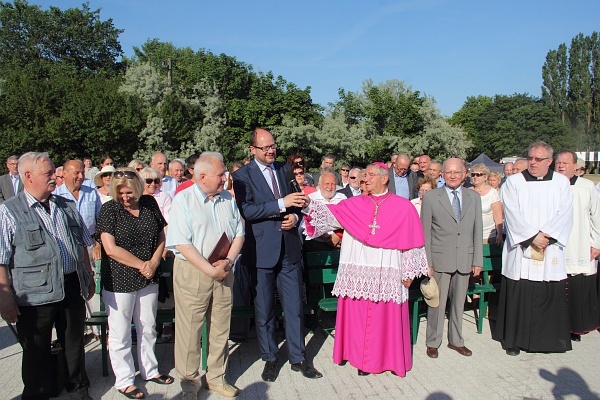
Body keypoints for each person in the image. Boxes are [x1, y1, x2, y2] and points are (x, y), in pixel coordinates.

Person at [303, 162, 429, 376]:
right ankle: (359, 359)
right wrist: (306, 203)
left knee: (384, 317)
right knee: (359, 316)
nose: (365, 179)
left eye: (371, 175)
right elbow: (329, 215)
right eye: (364, 175)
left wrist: (408, 273)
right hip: (359, 266)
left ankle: (387, 359)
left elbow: (412, 242)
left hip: (387, 268)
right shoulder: (354, 204)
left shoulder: (403, 206)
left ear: (384, 178)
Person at [0, 152, 95, 400]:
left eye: (55, 172)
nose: (56, 176)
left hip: (71, 286)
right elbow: (1, 258)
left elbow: (83, 243)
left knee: (74, 344)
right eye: (49, 173)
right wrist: (5, 296)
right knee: (36, 351)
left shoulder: (66, 205)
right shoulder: (9, 211)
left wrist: (88, 275)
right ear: (28, 176)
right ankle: (36, 394)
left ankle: (78, 392)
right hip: (33, 295)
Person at [233, 128, 322, 382]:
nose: (271, 150)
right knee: (265, 309)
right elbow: (247, 210)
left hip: (289, 247)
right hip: (261, 251)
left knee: (294, 307)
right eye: (265, 147)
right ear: (252, 150)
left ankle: (298, 358)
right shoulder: (242, 176)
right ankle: (270, 358)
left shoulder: (284, 169)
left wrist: (295, 216)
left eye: (273, 146)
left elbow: (299, 203)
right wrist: (282, 205)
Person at [166, 152, 244, 399]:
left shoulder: (227, 200)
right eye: (221, 175)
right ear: (202, 176)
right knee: (190, 330)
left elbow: (239, 233)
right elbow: (181, 243)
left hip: (224, 270)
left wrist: (228, 261)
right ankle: (189, 385)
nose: (225, 179)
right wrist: (210, 270)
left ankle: (216, 378)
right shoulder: (184, 200)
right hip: (194, 272)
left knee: (221, 327)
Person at [96, 167, 174, 398]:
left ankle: (150, 369)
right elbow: (110, 249)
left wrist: (153, 260)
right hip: (120, 278)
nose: (125, 197)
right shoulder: (109, 210)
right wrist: (142, 264)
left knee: (148, 325)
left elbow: (161, 234)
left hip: (149, 274)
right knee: (120, 332)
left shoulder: (149, 203)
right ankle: (124, 379)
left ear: (138, 189)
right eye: (120, 193)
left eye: (129, 193)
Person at [496, 141, 574, 356]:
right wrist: (532, 237)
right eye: (530, 158)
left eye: (538, 159)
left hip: (549, 247)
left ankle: (547, 341)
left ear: (549, 161)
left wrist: (545, 237)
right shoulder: (514, 182)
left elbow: (566, 213)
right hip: (522, 249)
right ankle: (514, 341)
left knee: (547, 288)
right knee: (519, 290)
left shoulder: (561, 183)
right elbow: (511, 213)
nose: (532, 163)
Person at [421, 158, 483, 359]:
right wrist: (427, 262)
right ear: (442, 174)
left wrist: (477, 260)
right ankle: (433, 341)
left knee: (458, 304)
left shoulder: (474, 197)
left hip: (464, 258)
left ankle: (456, 340)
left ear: (465, 173)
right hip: (439, 260)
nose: (453, 176)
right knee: (436, 304)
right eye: (449, 172)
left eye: (457, 172)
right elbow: (425, 233)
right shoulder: (431, 197)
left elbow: (477, 230)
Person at [554, 151, 600, 341]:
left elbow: (596, 216)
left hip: (579, 244)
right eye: (558, 162)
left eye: (566, 163)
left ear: (575, 166)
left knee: (576, 288)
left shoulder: (587, 187)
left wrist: (596, 244)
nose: (561, 166)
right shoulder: (549, 186)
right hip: (556, 247)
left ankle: (575, 328)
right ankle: (557, 327)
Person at [303, 172, 346, 252]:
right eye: (327, 183)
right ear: (319, 184)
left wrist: (338, 236)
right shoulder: (311, 199)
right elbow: (308, 222)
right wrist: (325, 237)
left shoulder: (342, 198)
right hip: (316, 244)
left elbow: (347, 220)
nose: (330, 187)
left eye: (333, 184)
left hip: (339, 243)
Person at [469, 164, 504, 247]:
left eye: (479, 175)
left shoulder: (492, 193)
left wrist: (499, 234)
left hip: (488, 236)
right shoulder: (467, 192)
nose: (475, 177)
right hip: (470, 236)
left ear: (485, 177)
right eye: (473, 174)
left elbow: (498, 217)